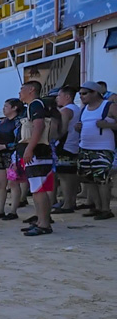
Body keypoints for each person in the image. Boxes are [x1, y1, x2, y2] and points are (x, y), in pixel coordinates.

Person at [18, 80, 56, 236]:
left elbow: (38, 126)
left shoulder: (35, 105)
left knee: (39, 189)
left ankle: (44, 224)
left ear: (31, 90)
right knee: (36, 190)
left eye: (22, 89)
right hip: (37, 152)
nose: (19, 92)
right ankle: (41, 222)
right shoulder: (34, 105)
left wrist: (29, 148)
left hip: (38, 152)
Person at [75, 81, 117, 220]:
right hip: (85, 147)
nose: (81, 96)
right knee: (89, 179)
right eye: (80, 94)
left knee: (102, 179)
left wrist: (107, 125)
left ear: (95, 93)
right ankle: (97, 207)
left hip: (103, 148)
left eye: (84, 93)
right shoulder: (84, 109)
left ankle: (105, 209)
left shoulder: (109, 106)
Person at [0, 99, 26, 221]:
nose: (4, 109)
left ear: (14, 108)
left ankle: (13, 211)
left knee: (13, 183)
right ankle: (0, 210)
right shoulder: (2, 122)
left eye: (6, 106)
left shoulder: (19, 122)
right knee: (0, 183)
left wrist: (4, 146)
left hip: (13, 155)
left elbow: (20, 140)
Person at [53, 86, 81, 214]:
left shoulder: (66, 110)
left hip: (65, 145)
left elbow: (62, 131)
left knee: (64, 176)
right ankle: (71, 201)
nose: (57, 98)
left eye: (59, 95)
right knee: (71, 175)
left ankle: (67, 204)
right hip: (74, 145)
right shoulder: (77, 109)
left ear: (67, 97)